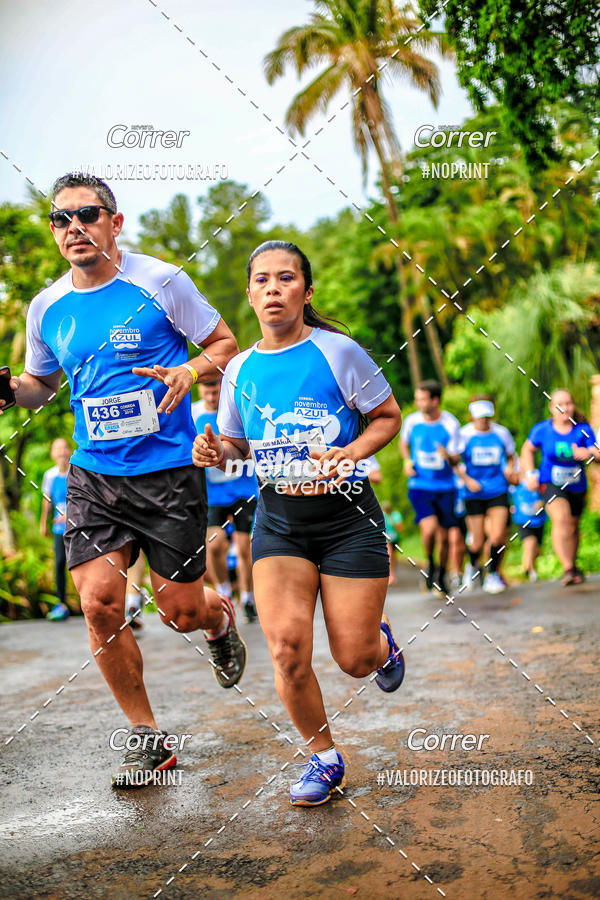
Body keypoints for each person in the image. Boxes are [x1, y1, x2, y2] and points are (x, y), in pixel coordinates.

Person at [0, 172, 245, 788]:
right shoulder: (47, 307)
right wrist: (8, 393)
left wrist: (191, 369)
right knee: (98, 605)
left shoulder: (160, 280)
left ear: (115, 221)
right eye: (61, 219)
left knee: (178, 612)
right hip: (94, 477)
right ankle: (146, 736)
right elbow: (43, 386)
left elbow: (222, 340)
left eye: (87, 214)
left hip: (167, 474)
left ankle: (218, 622)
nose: (73, 227)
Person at [192, 240, 405, 807]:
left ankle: (381, 646)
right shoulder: (239, 368)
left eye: (286, 279)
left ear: (306, 292)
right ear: (250, 294)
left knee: (354, 659)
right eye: (261, 280)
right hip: (279, 524)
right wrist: (217, 451)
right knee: (286, 649)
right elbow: (237, 442)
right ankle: (324, 757)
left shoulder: (338, 354)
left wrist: (352, 451)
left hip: (348, 520)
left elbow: (387, 417)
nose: (272, 289)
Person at [193, 379, 258, 622]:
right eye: (207, 393)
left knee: (244, 547)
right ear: (200, 391)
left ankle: (248, 598)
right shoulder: (192, 414)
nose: (211, 397)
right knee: (214, 544)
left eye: (216, 392)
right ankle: (224, 593)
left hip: (243, 488)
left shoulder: (236, 409)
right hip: (214, 494)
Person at [521, 388, 599, 586]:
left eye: (568, 403)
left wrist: (587, 452)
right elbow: (527, 450)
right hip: (551, 483)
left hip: (576, 484)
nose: (565, 408)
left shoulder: (583, 429)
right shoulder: (542, 430)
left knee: (573, 527)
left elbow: (597, 452)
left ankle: (572, 566)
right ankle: (566, 568)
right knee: (561, 520)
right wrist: (530, 474)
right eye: (560, 404)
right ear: (551, 408)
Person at [398, 381, 461, 594]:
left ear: (434, 400)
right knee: (429, 528)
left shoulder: (450, 424)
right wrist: (407, 462)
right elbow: (403, 443)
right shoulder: (412, 421)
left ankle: (441, 574)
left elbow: (456, 457)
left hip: (445, 486)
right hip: (420, 484)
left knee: (444, 536)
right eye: (417, 399)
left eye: (422, 399)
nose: (418, 403)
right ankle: (431, 563)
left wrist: (449, 457)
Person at [451, 396, 517, 594]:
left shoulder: (501, 433)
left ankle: (493, 574)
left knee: (497, 535)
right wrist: (467, 480)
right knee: (477, 540)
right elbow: (454, 461)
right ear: (472, 416)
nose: (483, 420)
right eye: (480, 417)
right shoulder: (464, 434)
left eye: (487, 416)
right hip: (474, 492)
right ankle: (472, 567)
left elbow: (511, 456)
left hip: (498, 489)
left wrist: (510, 470)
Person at [40, 438, 71, 620]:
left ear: (69, 451)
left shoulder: (76, 471)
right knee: (59, 563)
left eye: (64, 448)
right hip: (59, 529)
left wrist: (71, 515)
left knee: (79, 564)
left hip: (77, 528)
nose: (61, 452)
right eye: (57, 448)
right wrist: (43, 522)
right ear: (53, 454)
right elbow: (47, 500)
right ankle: (62, 604)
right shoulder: (49, 475)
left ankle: (88, 602)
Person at [510, 472, 546, 582]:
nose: (535, 483)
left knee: (537, 550)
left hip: (538, 521)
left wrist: (542, 503)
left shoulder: (541, 489)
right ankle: (531, 571)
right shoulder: (517, 489)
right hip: (523, 521)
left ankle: (528, 567)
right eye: (533, 481)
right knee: (530, 543)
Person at [381, 501, 403, 585]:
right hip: (386, 538)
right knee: (389, 555)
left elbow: (400, 528)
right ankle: (389, 575)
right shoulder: (381, 514)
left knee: (393, 556)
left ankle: (392, 573)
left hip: (395, 538)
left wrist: (392, 521)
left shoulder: (396, 515)